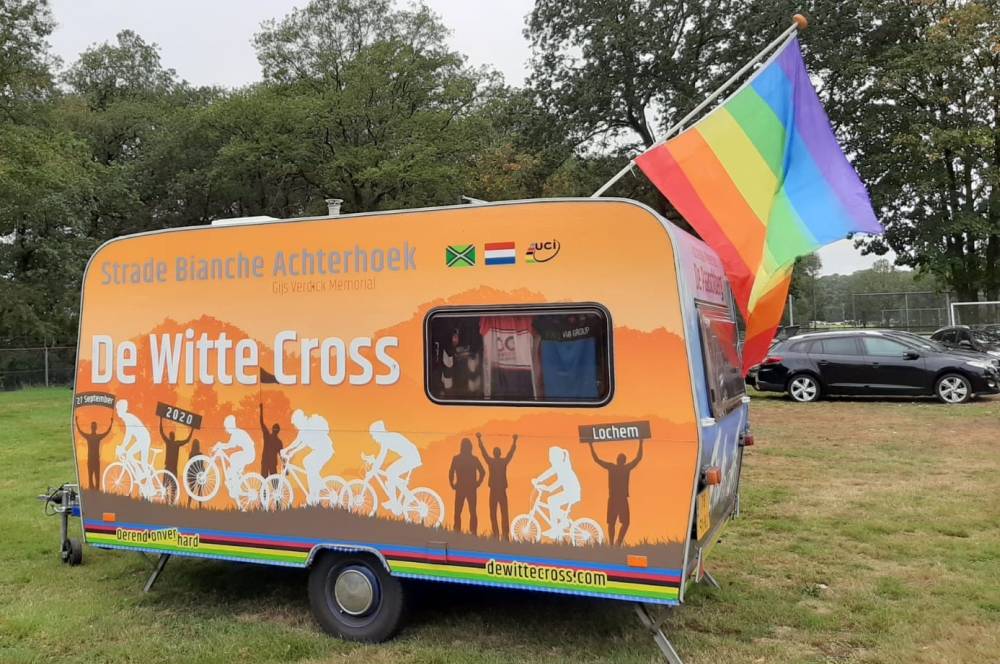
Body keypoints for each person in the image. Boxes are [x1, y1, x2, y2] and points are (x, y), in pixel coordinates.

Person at [588, 440, 644, 545]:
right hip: (618, 499)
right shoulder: (623, 468)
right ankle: (615, 543)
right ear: (623, 461)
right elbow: (638, 458)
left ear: (618, 460)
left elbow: (596, 460)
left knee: (616, 523)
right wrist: (641, 442)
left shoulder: (614, 468)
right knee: (616, 523)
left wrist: (591, 445)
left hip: (616, 499)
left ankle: (615, 543)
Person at [282, 409, 334, 505]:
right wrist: (289, 450)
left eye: (296, 423)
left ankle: (314, 494)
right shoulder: (303, 431)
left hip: (325, 450)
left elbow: (302, 443)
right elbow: (298, 442)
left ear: (299, 420)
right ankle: (318, 490)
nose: (296, 426)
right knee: (308, 464)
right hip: (320, 451)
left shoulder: (310, 425)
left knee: (310, 466)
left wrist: (289, 450)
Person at [369, 420, 421, 515]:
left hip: (411, 457)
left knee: (390, 473)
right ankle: (406, 495)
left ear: (378, 433)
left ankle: (393, 502)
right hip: (411, 456)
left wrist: (374, 467)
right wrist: (375, 464)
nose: (373, 438)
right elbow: (381, 456)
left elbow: (382, 456)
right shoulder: (388, 437)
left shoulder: (386, 439)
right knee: (390, 476)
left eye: (373, 435)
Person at [532, 447, 581, 539]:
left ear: (556, 458)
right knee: (552, 502)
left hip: (572, 493)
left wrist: (548, 488)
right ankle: (564, 521)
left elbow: (559, 482)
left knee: (552, 501)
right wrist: (538, 480)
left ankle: (555, 529)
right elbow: (548, 473)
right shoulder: (560, 466)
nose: (550, 459)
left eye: (551, 457)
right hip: (570, 492)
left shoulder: (564, 468)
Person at [477, 432, 517, 539]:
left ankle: (496, 535)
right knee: (504, 513)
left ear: (494, 454)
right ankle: (505, 535)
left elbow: (484, 453)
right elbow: (511, 453)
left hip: (494, 491)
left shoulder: (491, 462)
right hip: (500, 491)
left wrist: (479, 440)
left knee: (494, 514)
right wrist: (514, 441)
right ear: (499, 453)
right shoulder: (503, 462)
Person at [213, 415, 256, 498]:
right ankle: (235, 480)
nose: (226, 430)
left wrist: (220, 445)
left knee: (234, 459)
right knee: (233, 458)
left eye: (226, 427)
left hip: (249, 454)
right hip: (248, 453)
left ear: (230, 426)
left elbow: (229, 445)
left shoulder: (236, 433)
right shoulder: (238, 432)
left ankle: (235, 485)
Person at [114, 400, 152, 489]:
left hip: (143, 439)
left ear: (122, 409)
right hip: (144, 438)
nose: (117, 411)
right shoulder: (128, 417)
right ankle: (151, 487)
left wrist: (122, 446)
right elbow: (129, 435)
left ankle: (139, 473)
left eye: (118, 409)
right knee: (144, 463)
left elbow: (128, 435)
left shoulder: (128, 418)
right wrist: (123, 446)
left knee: (129, 454)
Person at [449, 438, 485, 533]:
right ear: (470, 447)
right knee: (470, 512)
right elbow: (482, 472)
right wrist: (478, 483)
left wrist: (452, 483)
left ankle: (458, 532)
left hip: (462, 488)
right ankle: (472, 533)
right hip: (469, 488)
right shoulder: (473, 459)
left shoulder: (457, 458)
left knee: (461, 512)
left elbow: (451, 472)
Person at [75, 415, 112, 489]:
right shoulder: (95, 437)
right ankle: (94, 489)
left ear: (92, 428)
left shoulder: (90, 436)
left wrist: (76, 422)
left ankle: (93, 489)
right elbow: (107, 432)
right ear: (95, 428)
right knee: (94, 476)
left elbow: (80, 431)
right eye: (94, 426)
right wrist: (111, 423)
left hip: (92, 459)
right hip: (94, 460)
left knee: (92, 476)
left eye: (93, 426)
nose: (93, 428)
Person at [158, 417, 193, 489]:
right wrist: (192, 430)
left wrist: (161, 419)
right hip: (173, 467)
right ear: (174, 437)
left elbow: (161, 432)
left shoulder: (169, 442)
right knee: (173, 486)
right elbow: (187, 440)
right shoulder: (177, 443)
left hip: (168, 466)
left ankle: (165, 494)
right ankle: (169, 494)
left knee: (165, 485)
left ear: (170, 437)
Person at [258, 403, 284, 478]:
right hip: (271, 463)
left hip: (266, 462)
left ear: (272, 429)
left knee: (264, 481)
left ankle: (265, 486)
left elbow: (261, 422)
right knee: (274, 482)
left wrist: (261, 409)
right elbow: (281, 456)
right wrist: (285, 465)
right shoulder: (279, 442)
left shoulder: (267, 436)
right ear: (278, 431)